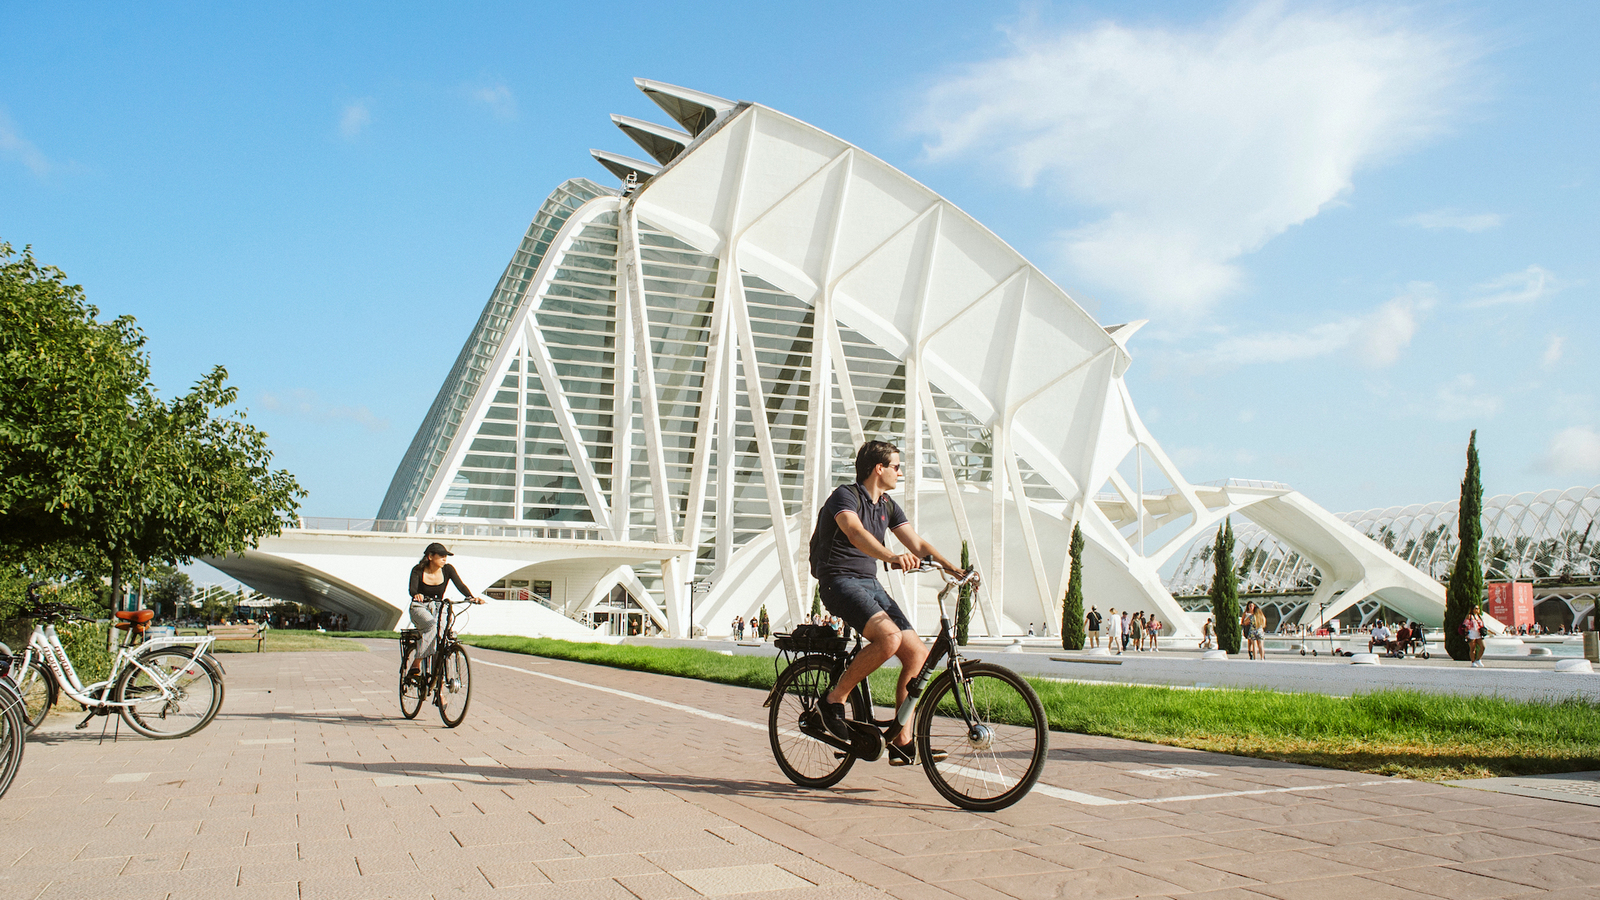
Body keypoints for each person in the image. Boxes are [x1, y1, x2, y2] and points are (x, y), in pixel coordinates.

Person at [811, 441, 973, 765]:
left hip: (869, 583)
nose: (900, 471)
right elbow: (854, 532)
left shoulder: (888, 505)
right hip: (838, 580)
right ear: (878, 468)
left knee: (918, 655)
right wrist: (892, 556)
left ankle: (901, 741)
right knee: (889, 638)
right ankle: (833, 700)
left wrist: (955, 569)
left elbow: (917, 543)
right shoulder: (846, 496)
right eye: (896, 466)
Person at [407, 542, 485, 679]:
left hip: (439, 606)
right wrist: (416, 594)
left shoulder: (447, 569)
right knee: (431, 625)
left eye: (446, 556)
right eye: (441, 556)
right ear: (430, 556)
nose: (445, 559)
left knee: (441, 637)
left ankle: (439, 687)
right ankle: (417, 662)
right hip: (420, 607)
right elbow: (412, 589)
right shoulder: (418, 570)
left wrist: (471, 597)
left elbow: (460, 585)